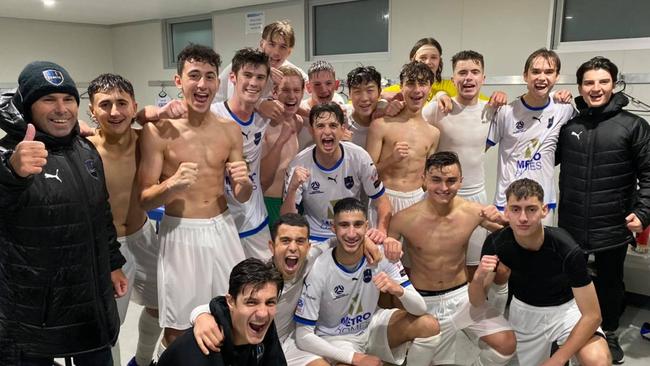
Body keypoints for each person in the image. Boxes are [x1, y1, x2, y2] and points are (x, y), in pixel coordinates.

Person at [0, 61, 127, 365]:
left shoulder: (85, 150)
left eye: (68, 99)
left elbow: (100, 212)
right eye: (48, 100)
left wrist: (113, 263)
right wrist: (11, 173)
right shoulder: (10, 153)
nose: (62, 109)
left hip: (87, 304)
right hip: (31, 314)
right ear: (28, 106)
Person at [138, 44, 252, 351]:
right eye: (194, 76)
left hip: (224, 228)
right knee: (179, 328)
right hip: (181, 233)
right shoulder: (158, 131)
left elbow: (241, 195)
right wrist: (171, 185)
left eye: (209, 77)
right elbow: (144, 199)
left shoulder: (230, 130)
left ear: (219, 82)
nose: (202, 85)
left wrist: (244, 183)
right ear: (179, 81)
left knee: (235, 315)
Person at [190, 214, 395, 366]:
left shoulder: (310, 258)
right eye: (285, 240)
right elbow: (218, 302)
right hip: (248, 345)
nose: (293, 248)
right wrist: (200, 317)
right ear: (272, 246)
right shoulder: (257, 276)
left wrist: (367, 241)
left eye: (300, 241)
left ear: (308, 245)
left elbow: (336, 240)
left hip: (287, 343)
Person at [556, 56, 650, 364]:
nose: (596, 88)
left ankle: (608, 331)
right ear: (580, 87)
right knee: (571, 278)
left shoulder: (634, 126)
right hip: (570, 221)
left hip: (613, 222)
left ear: (614, 84)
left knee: (610, 281)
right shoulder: (569, 123)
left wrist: (644, 211)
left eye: (603, 81)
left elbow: (649, 174)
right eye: (589, 82)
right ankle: (569, 331)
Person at [388, 152, 516, 366]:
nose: (444, 188)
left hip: (461, 298)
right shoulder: (403, 219)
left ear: (461, 181)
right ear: (424, 179)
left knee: (506, 344)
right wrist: (384, 243)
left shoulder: (473, 212)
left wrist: (503, 220)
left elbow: (516, 236)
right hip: (421, 302)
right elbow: (386, 264)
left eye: (451, 181)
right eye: (436, 180)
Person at [470, 178, 611, 365]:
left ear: (544, 210)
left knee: (597, 360)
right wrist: (478, 277)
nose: (523, 218)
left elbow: (593, 316)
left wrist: (557, 360)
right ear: (506, 211)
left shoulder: (566, 248)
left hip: (566, 311)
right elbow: (477, 302)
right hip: (525, 312)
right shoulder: (496, 243)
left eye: (531, 209)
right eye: (515, 209)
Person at [294, 198, 440, 366]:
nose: (351, 233)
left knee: (428, 324)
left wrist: (398, 290)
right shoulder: (319, 268)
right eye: (344, 225)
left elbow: (420, 308)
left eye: (357, 225)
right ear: (333, 228)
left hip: (372, 325)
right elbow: (303, 336)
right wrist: (354, 358)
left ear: (366, 226)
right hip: (336, 339)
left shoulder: (382, 255)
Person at [421, 50, 508, 310]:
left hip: (475, 195)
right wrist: (437, 95)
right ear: (453, 77)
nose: (468, 78)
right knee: (439, 258)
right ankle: (439, 310)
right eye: (462, 72)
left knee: (474, 262)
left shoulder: (492, 110)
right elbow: (412, 123)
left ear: (483, 77)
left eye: (474, 72)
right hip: (441, 196)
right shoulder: (438, 108)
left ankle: (472, 312)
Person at [86, 73, 162, 366]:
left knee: (160, 305)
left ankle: (142, 361)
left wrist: (157, 114)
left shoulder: (148, 141)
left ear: (134, 106)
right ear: (92, 111)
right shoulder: (84, 149)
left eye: (121, 103)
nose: (114, 112)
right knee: (110, 324)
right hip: (105, 249)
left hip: (144, 237)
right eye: (105, 105)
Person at [487, 48, 575, 225]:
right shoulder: (505, 112)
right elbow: (474, 148)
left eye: (549, 72)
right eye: (535, 71)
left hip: (544, 205)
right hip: (508, 203)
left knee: (541, 252)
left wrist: (568, 96)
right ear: (525, 76)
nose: (541, 77)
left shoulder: (564, 109)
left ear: (557, 77)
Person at [280, 102, 391, 243]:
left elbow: (383, 202)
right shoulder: (298, 164)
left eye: (333, 125)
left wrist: (381, 231)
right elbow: (287, 218)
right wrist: (292, 189)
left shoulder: (359, 156)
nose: (327, 132)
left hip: (351, 234)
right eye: (320, 126)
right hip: (314, 238)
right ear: (311, 131)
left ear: (342, 129)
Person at [157, 258, 287, 366]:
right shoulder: (201, 351)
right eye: (251, 302)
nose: (263, 313)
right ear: (231, 302)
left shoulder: (261, 324)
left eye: (270, 302)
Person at [211, 48, 273, 260]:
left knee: (266, 285)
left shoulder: (263, 119)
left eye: (260, 77)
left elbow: (298, 105)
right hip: (219, 223)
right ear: (233, 77)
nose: (253, 83)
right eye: (247, 75)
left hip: (255, 220)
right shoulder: (212, 115)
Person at [366, 61, 440, 225]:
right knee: (380, 250)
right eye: (410, 83)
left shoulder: (434, 133)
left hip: (417, 200)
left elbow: (429, 178)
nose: (416, 89)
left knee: (412, 251)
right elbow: (366, 173)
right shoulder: (381, 125)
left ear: (430, 87)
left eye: (422, 83)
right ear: (401, 87)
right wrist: (392, 159)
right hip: (383, 197)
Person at [215, 20, 307, 120]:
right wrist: (260, 104)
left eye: (283, 47)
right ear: (262, 44)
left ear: (289, 51)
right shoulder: (244, 64)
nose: (276, 52)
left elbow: (308, 88)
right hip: (221, 119)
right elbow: (234, 100)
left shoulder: (290, 71)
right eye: (271, 44)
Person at [261, 67, 305, 228]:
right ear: (274, 92)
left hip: (292, 200)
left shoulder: (298, 121)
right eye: (285, 90)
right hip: (267, 201)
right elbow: (262, 179)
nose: (292, 96)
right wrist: (281, 140)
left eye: (296, 90)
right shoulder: (263, 124)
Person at [297, 60, 348, 149]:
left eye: (328, 83)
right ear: (308, 88)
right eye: (317, 84)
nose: (323, 89)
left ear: (336, 85)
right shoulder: (298, 113)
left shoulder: (342, 111)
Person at [345, 65, 385, 149]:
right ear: (349, 94)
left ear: (379, 92)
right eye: (357, 91)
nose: (364, 98)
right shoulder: (341, 120)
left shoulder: (387, 117)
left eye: (370, 90)